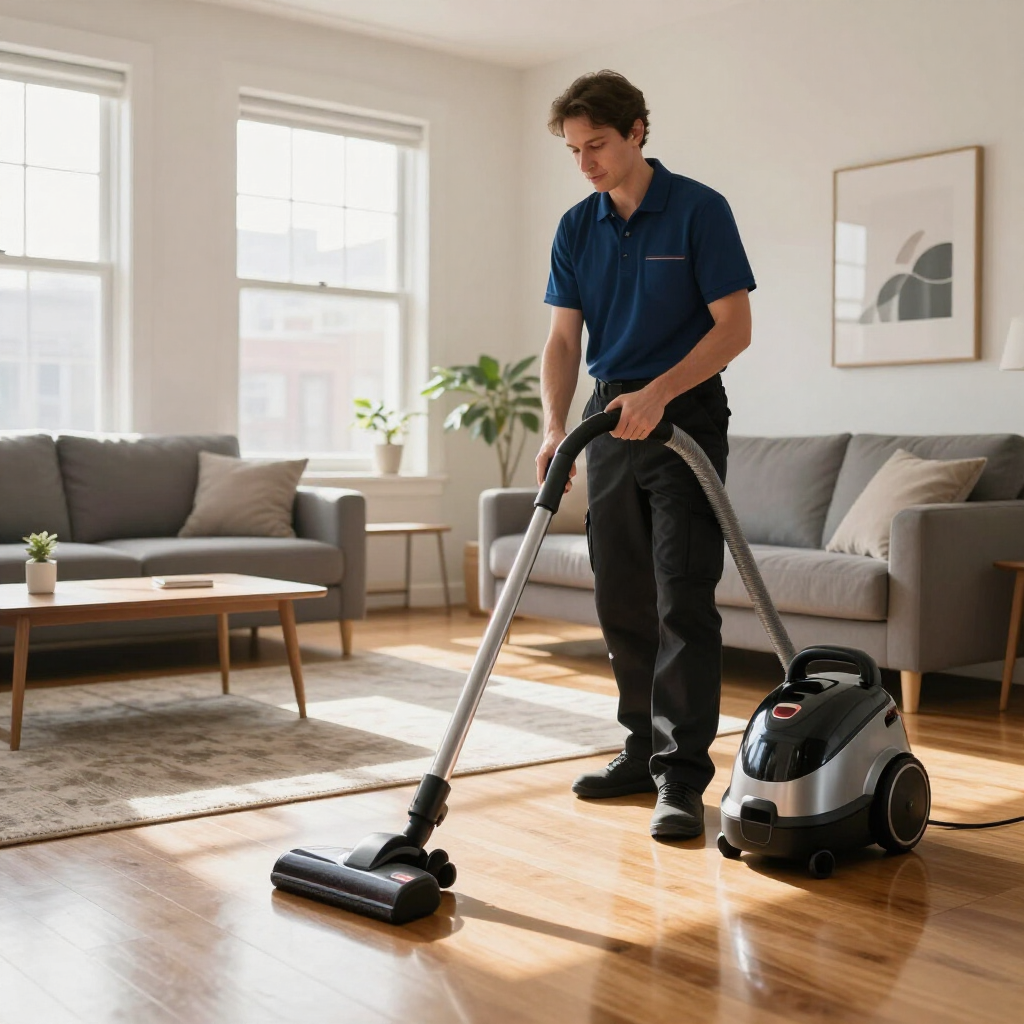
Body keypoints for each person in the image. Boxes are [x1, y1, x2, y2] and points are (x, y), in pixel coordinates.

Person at [537, 70, 755, 839]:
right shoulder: (576, 226)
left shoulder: (699, 210)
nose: (586, 161)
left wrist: (660, 392)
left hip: (684, 411)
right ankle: (641, 751)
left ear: (636, 132)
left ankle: (682, 777)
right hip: (609, 414)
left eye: (597, 144)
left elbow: (733, 329)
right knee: (620, 594)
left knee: (681, 597)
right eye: (574, 149)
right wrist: (554, 426)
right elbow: (564, 340)